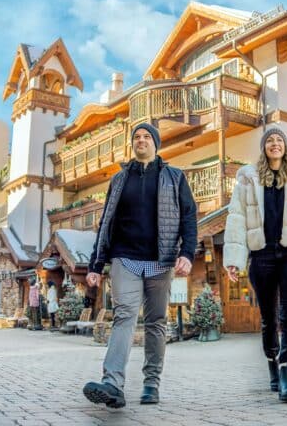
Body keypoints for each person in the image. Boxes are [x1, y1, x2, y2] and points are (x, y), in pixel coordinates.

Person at [83, 122, 197, 409]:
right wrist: (96, 264)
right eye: (136, 137)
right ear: (132, 145)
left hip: (161, 261)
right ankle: (112, 383)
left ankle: (151, 382)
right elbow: (105, 223)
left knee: (156, 322)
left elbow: (188, 216)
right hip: (125, 259)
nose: (141, 140)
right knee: (124, 316)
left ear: (156, 144)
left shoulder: (173, 176)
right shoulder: (119, 179)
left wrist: (188, 253)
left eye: (147, 136)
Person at [223, 127, 287, 403]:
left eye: (279, 140)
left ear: (285, 147)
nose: (274, 144)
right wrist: (233, 260)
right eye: (269, 141)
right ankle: (272, 364)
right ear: (264, 148)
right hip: (262, 255)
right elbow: (237, 217)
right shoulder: (248, 179)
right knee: (269, 318)